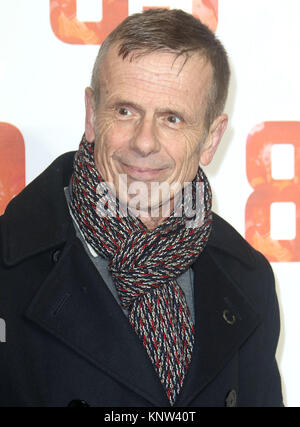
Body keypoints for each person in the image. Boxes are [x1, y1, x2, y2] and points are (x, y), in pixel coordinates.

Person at [0, 8, 283, 407]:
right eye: (125, 111)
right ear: (92, 116)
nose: (144, 142)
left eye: (172, 118)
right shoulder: (8, 271)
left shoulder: (247, 278)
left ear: (210, 138)